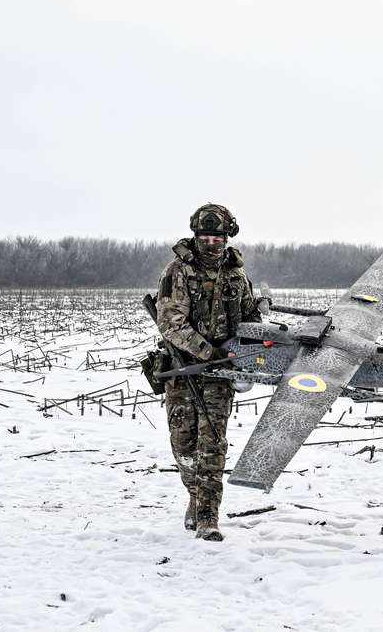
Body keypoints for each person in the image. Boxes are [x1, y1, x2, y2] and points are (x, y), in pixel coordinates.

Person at [156, 203, 262, 541]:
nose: (211, 244)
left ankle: (207, 518)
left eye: (217, 237)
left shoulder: (237, 275)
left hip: (220, 377)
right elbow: (171, 324)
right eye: (205, 237)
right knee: (184, 447)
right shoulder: (178, 272)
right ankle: (195, 497)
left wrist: (251, 342)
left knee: (212, 447)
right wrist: (209, 352)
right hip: (183, 371)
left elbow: (249, 317)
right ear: (195, 235)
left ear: (227, 236)